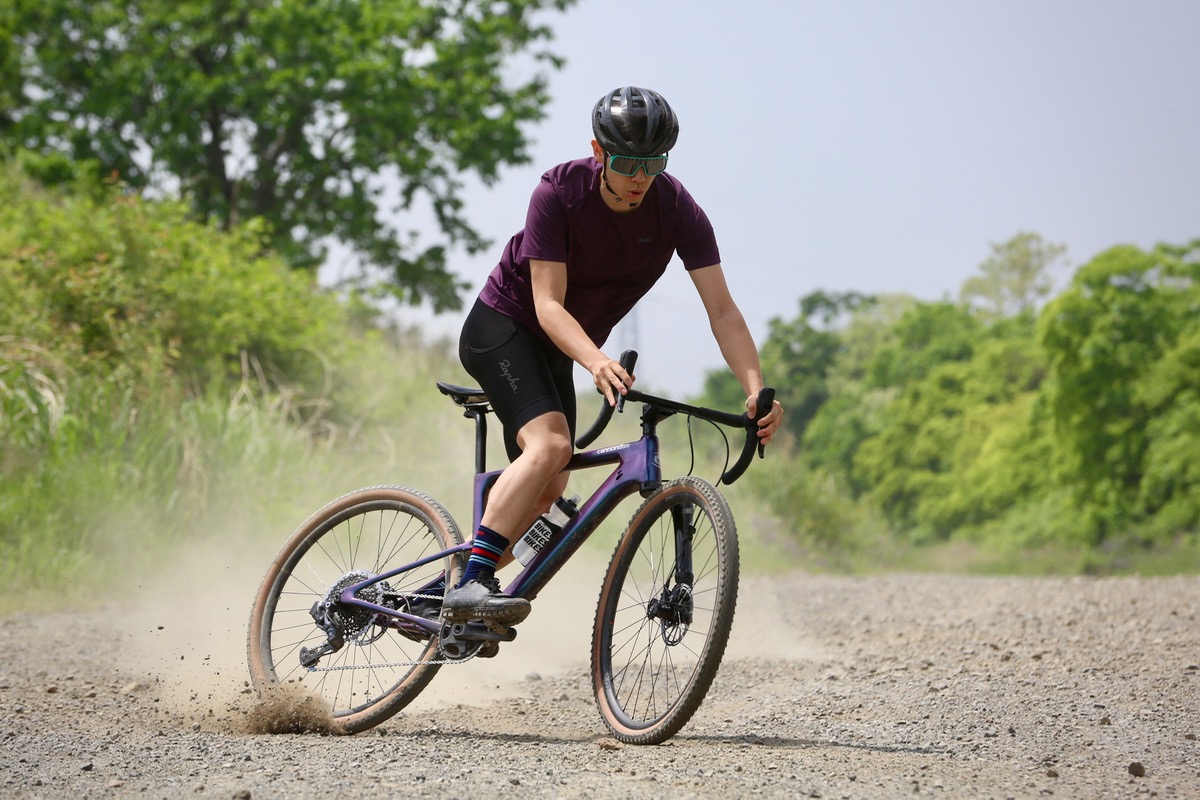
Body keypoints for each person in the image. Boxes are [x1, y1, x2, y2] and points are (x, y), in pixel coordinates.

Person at [441, 85, 784, 624]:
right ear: (599, 152)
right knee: (551, 444)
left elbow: (723, 311)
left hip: (563, 347)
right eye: (627, 162)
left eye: (654, 162)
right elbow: (548, 306)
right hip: (506, 326)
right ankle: (472, 582)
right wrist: (596, 360)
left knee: (549, 495)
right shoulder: (558, 191)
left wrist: (754, 390)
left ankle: (447, 585)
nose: (640, 176)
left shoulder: (677, 210)